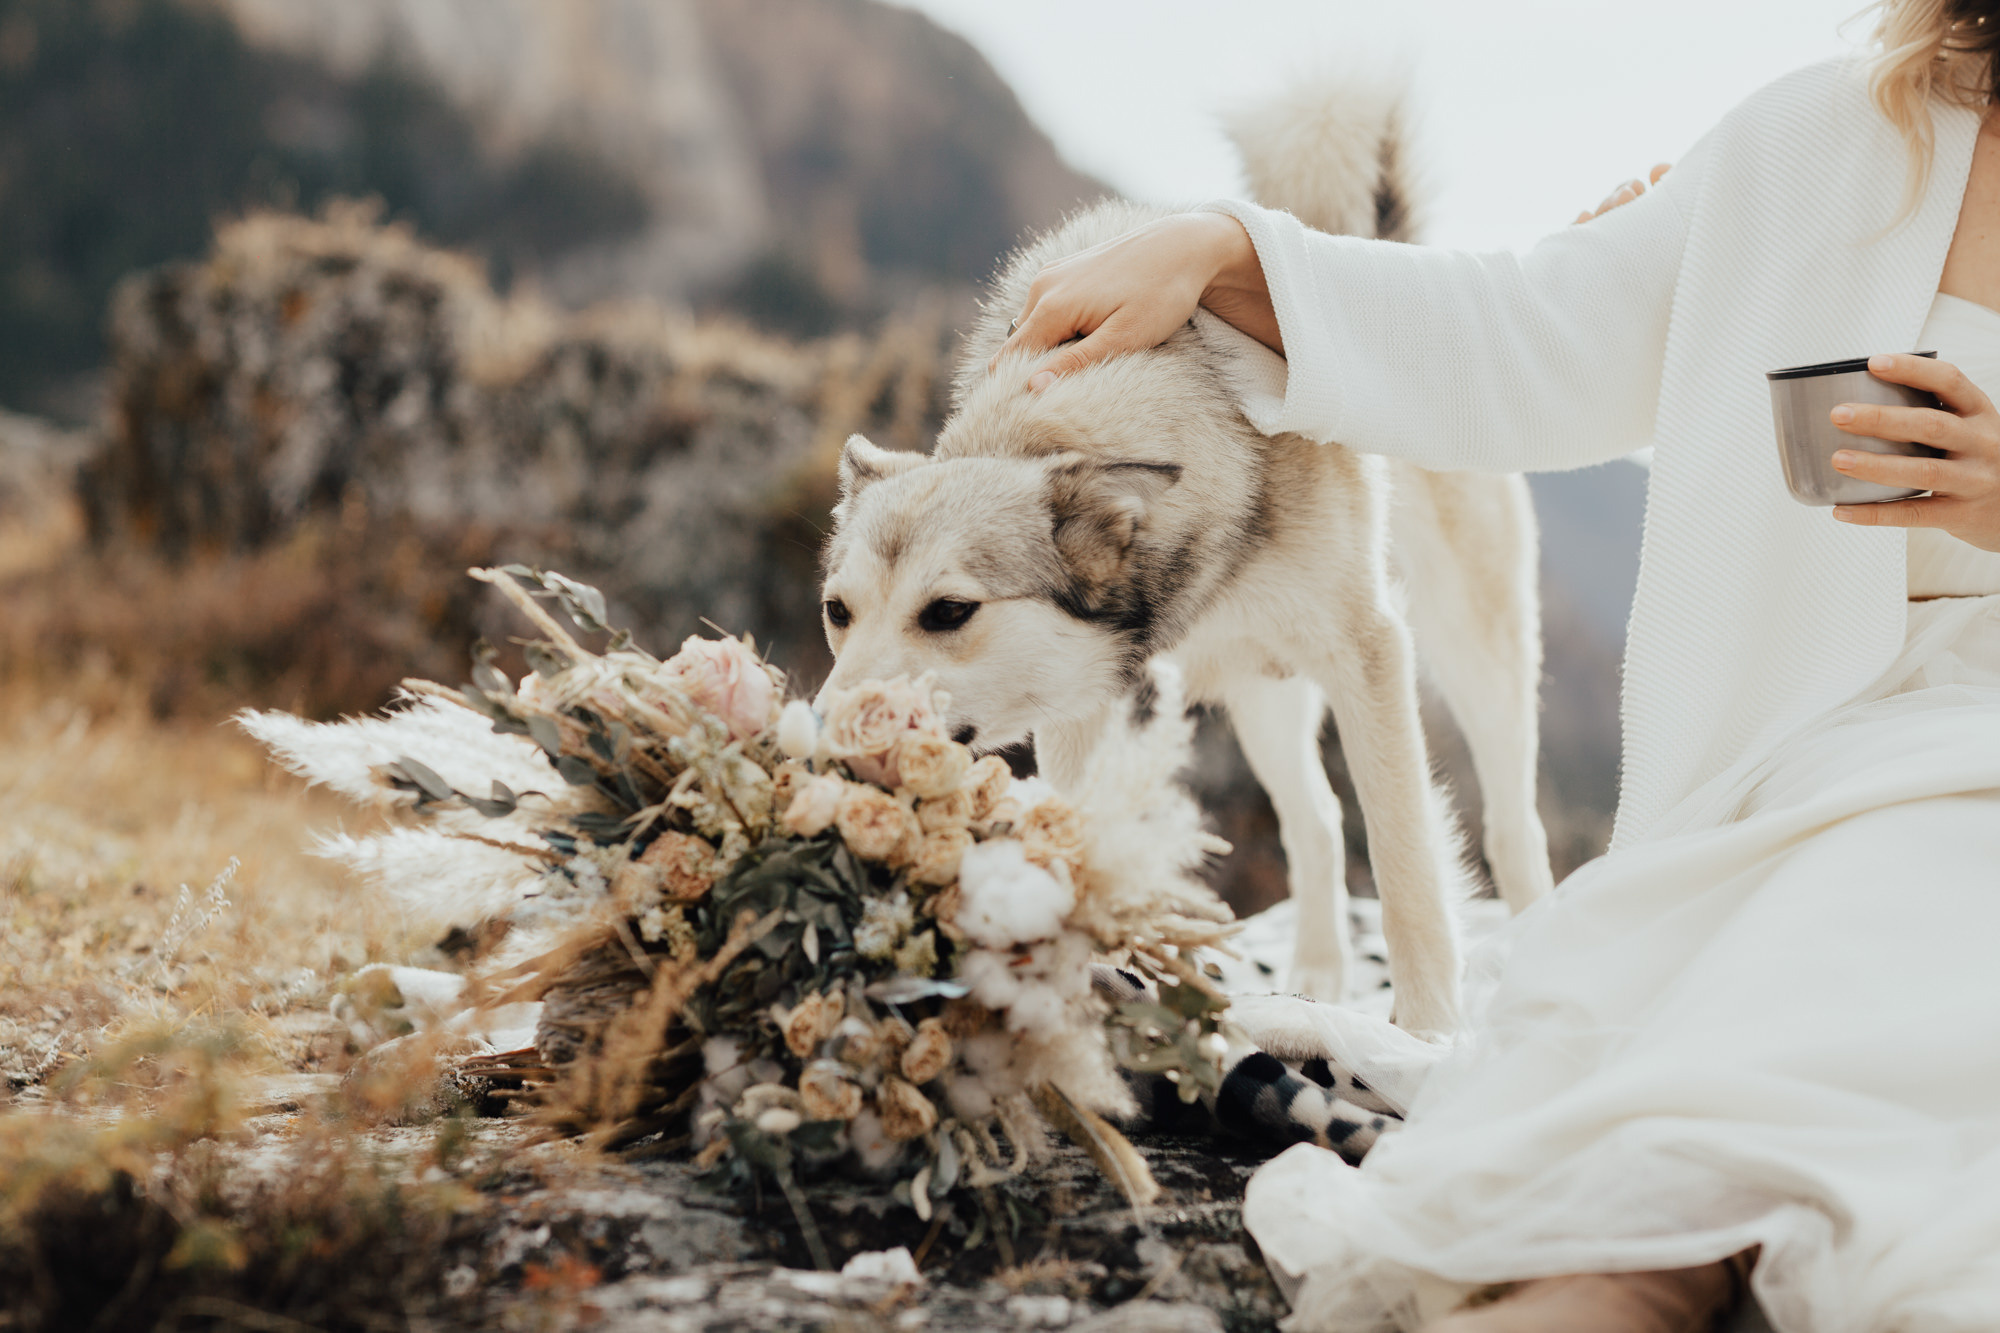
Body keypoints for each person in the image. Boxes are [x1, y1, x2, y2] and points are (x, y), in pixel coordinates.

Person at [991, 3, 2000, 1331]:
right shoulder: (1827, 139)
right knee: (1655, 1199)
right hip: (1797, 780)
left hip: (1961, 787)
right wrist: (1227, 255)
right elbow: (1528, 331)